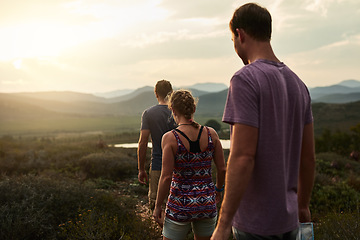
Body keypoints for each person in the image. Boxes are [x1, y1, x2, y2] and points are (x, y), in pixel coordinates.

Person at [211, 3, 316, 240]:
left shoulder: (245, 79)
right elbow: (308, 158)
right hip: (289, 221)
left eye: (232, 39)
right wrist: (302, 206)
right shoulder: (299, 85)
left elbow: (243, 156)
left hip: (254, 224)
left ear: (240, 34)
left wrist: (223, 224)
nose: (235, 45)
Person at [153, 90, 226, 240]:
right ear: (193, 109)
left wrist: (158, 206)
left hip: (179, 205)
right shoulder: (212, 134)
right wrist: (218, 189)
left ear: (172, 110)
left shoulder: (170, 138)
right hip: (207, 203)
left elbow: (166, 177)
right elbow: (222, 168)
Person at [137, 80, 177, 210]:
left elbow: (143, 142)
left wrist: (141, 169)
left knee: (157, 206)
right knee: (177, 205)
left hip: (158, 165)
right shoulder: (178, 112)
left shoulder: (148, 114)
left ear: (156, 94)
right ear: (171, 93)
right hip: (180, 166)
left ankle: (163, 230)